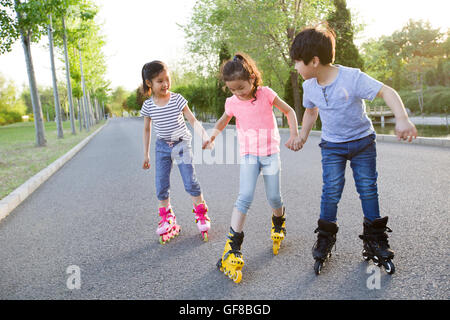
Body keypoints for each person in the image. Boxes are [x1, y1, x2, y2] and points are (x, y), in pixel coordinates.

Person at [289, 25, 418, 275]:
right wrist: (302, 135)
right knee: (331, 190)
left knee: (368, 188)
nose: (295, 67)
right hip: (332, 146)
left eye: (297, 62)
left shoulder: (352, 77)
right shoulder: (309, 86)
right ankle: (325, 238)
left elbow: (386, 91)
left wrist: (401, 118)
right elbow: (311, 110)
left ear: (314, 61)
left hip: (362, 143)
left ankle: (375, 240)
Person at [202, 53, 301, 283]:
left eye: (242, 87)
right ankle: (234, 244)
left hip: (270, 154)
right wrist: (213, 136)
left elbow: (290, 111)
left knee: (274, 197)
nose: (238, 93)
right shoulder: (232, 102)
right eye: (233, 89)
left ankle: (278, 221)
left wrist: (294, 134)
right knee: (244, 197)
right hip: (248, 155)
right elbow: (223, 121)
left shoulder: (266, 94)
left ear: (253, 78)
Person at [140, 60, 212, 244]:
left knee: (190, 181)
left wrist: (205, 136)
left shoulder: (177, 99)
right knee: (161, 184)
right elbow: (147, 129)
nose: (165, 84)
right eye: (159, 81)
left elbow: (192, 119)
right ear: (149, 83)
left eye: (167, 79)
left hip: (181, 144)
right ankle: (167, 218)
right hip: (162, 146)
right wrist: (146, 154)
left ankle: (201, 214)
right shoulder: (148, 106)